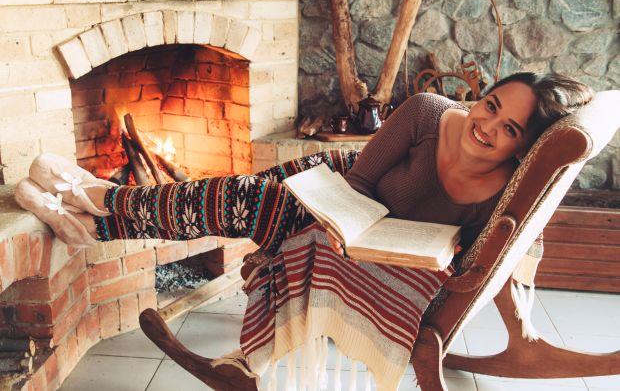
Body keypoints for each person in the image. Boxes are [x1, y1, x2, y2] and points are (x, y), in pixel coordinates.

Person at [14, 72, 594, 389]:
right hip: (337, 190)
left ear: (523, 148)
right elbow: (356, 183)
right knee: (236, 197)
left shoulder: (502, 195)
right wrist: (330, 232)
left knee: (237, 200)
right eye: (490, 105)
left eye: (510, 128)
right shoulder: (426, 112)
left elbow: (482, 257)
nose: (488, 125)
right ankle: (106, 204)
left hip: (370, 233)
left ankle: (100, 209)